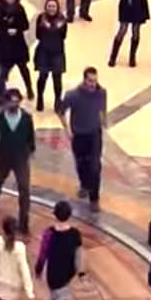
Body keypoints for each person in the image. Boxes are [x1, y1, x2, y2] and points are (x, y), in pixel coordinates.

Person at [35, 200, 84, 300]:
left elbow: (43, 253)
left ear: (55, 214)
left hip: (54, 273)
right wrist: (80, 272)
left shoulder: (49, 233)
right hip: (68, 272)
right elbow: (79, 255)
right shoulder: (75, 234)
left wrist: (38, 268)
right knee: (60, 293)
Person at [58, 67, 107, 212]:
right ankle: (85, 184)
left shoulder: (101, 93)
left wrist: (102, 122)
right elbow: (61, 111)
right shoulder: (73, 95)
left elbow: (103, 109)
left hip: (94, 134)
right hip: (79, 134)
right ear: (84, 80)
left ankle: (94, 198)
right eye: (90, 81)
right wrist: (67, 129)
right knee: (81, 164)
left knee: (95, 166)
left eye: (95, 81)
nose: (93, 84)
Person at [0, 88, 35, 234]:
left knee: (24, 188)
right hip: (4, 156)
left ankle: (24, 222)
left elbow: (30, 135)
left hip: (21, 157)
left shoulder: (26, 118)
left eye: (17, 102)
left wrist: (31, 151)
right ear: (6, 102)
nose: (14, 105)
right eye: (11, 102)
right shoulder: (0, 117)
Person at [0, 0, 33, 100]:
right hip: (6, 45)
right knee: (3, 71)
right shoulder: (1, 8)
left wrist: (17, 29)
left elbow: (25, 25)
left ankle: (29, 89)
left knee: (23, 69)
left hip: (18, 45)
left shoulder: (20, 9)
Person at [34, 0, 67, 113]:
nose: (51, 8)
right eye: (49, 6)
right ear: (46, 7)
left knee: (57, 78)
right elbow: (37, 35)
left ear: (57, 7)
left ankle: (57, 101)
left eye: (53, 6)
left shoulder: (63, 20)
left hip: (57, 52)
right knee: (42, 77)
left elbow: (64, 36)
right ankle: (40, 98)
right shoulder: (40, 18)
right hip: (43, 51)